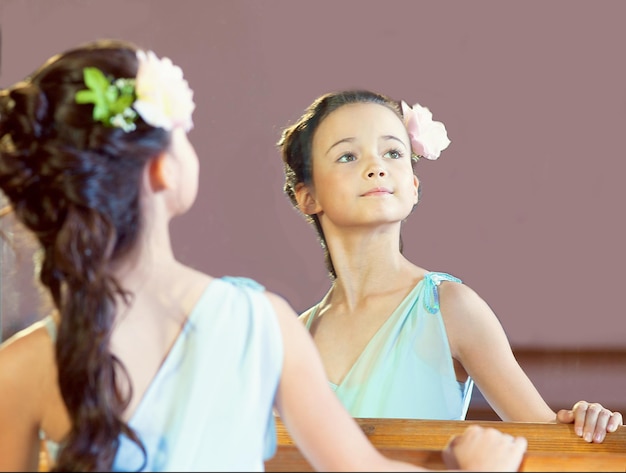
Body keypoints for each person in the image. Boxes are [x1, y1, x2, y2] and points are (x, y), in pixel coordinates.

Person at [0, 40, 529, 472]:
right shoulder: (262, 324)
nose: (375, 167)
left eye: (392, 151)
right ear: (164, 170)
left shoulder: (19, 366)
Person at [276, 89, 624, 443]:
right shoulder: (293, 337)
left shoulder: (450, 308)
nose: (376, 167)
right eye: (348, 156)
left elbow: (548, 440)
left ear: (412, 186)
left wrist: (588, 422)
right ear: (308, 196)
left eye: (393, 152)